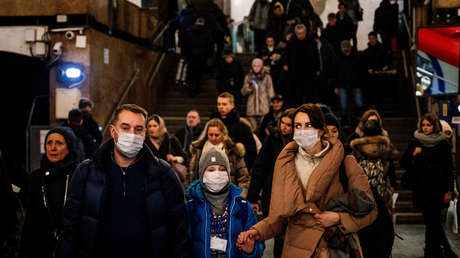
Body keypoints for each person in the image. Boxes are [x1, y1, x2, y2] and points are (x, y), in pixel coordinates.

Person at [237, 103, 377, 257]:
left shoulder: (345, 161)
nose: (302, 130)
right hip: (295, 245)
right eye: (298, 125)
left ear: (321, 129)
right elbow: (280, 216)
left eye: (308, 125)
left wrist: (339, 218)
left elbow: (370, 210)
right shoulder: (286, 162)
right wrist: (257, 232)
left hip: (333, 244)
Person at [55, 104, 190, 258]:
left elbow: (179, 227)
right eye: (125, 128)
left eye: (138, 129)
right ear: (113, 131)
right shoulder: (87, 172)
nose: (132, 134)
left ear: (144, 133)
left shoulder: (162, 172)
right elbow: (70, 228)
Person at [185, 147, 264, 258]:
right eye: (211, 170)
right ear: (202, 174)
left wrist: (251, 250)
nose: (217, 174)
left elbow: (258, 245)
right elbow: (181, 246)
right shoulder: (191, 206)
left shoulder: (243, 206)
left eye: (222, 169)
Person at [20, 127, 84, 258]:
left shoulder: (80, 177)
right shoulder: (35, 178)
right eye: (49, 143)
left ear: (70, 146)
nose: (53, 148)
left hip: (73, 247)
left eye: (59, 143)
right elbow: (29, 221)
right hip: (40, 248)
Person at [400, 113, 457, 258]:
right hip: (422, 189)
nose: (425, 128)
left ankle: (433, 251)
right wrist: (414, 154)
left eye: (428, 125)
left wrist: (449, 190)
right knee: (432, 222)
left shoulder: (442, 143)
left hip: (438, 189)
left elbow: (448, 169)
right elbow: (403, 163)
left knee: (433, 222)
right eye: (423, 125)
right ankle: (439, 251)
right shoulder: (416, 142)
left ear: (434, 126)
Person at [246, 108, 294, 258]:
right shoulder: (273, 139)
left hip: (292, 194)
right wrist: (253, 197)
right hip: (272, 192)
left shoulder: (299, 143)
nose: (284, 127)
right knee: (277, 236)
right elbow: (260, 167)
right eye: (282, 123)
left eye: (288, 125)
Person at [187, 118, 250, 197]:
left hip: (228, 197)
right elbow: (191, 176)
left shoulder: (233, 152)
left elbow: (243, 178)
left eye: (217, 135)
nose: (213, 138)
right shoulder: (199, 151)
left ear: (223, 134)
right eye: (210, 135)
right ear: (206, 134)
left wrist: (239, 198)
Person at [210, 92, 257, 170]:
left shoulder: (242, 127)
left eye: (224, 104)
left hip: (235, 168)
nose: (221, 107)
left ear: (232, 105)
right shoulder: (211, 125)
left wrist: (243, 168)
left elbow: (252, 152)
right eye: (219, 104)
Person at [283, 24, 320, 106]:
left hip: (309, 71)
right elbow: (286, 54)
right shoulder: (291, 42)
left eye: (302, 33)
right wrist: (285, 64)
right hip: (295, 71)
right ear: (295, 33)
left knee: (309, 93)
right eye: (298, 33)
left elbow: (316, 55)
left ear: (305, 32)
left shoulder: (311, 41)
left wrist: (317, 68)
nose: (301, 35)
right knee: (297, 94)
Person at [145, 114, 188, 182]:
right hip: (151, 179)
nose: (151, 129)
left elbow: (185, 158)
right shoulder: (145, 142)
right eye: (149, 126)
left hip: (169, 178)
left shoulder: (171, 140)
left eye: (155, 126)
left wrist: (175, 158)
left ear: (161, 126)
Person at [241, 58, 275, 132]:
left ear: (262, 66)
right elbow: (243, 92)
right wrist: (249, 89)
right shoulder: (248, 77)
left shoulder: (267, 77)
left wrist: (271, 104)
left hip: (264, 107)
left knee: (263, 130)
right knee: (253, 130)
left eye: (258, 66)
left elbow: (270, 91)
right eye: (254, 66)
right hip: (251, 108)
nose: (256, 68)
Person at [183, 17, 213, 96]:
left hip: (191, 56)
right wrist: (209, 55)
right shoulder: (206, 32)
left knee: (191, 73)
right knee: (198, 74)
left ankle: (190, 89)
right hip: (201, 57)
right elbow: (210, 45)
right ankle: (196, 89)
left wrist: (185, 54)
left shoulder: (189, 31)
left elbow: (185, 44)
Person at [362, 31, 391, 110]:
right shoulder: (367, 52)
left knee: (380, 93)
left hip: (381, 75)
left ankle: (379, 107)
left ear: (376, 39)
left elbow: (387, 60)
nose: (371, 40)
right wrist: (368, 69)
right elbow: (365, 63)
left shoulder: (383, 49)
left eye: (373, 38)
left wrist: (386, 66)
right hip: (371, 76)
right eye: (370, 39)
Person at [336, 40, 362, 125]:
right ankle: (346, 121)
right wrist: (336, 86)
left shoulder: (356, 57)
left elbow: (359, 72)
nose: (346, 51)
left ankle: (355, 119)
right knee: (343, 107)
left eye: (347, 49)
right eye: (344, 49)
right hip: (343, 85)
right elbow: (336, 73)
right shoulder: (338, 58)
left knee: (359, 104)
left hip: (355, 85)